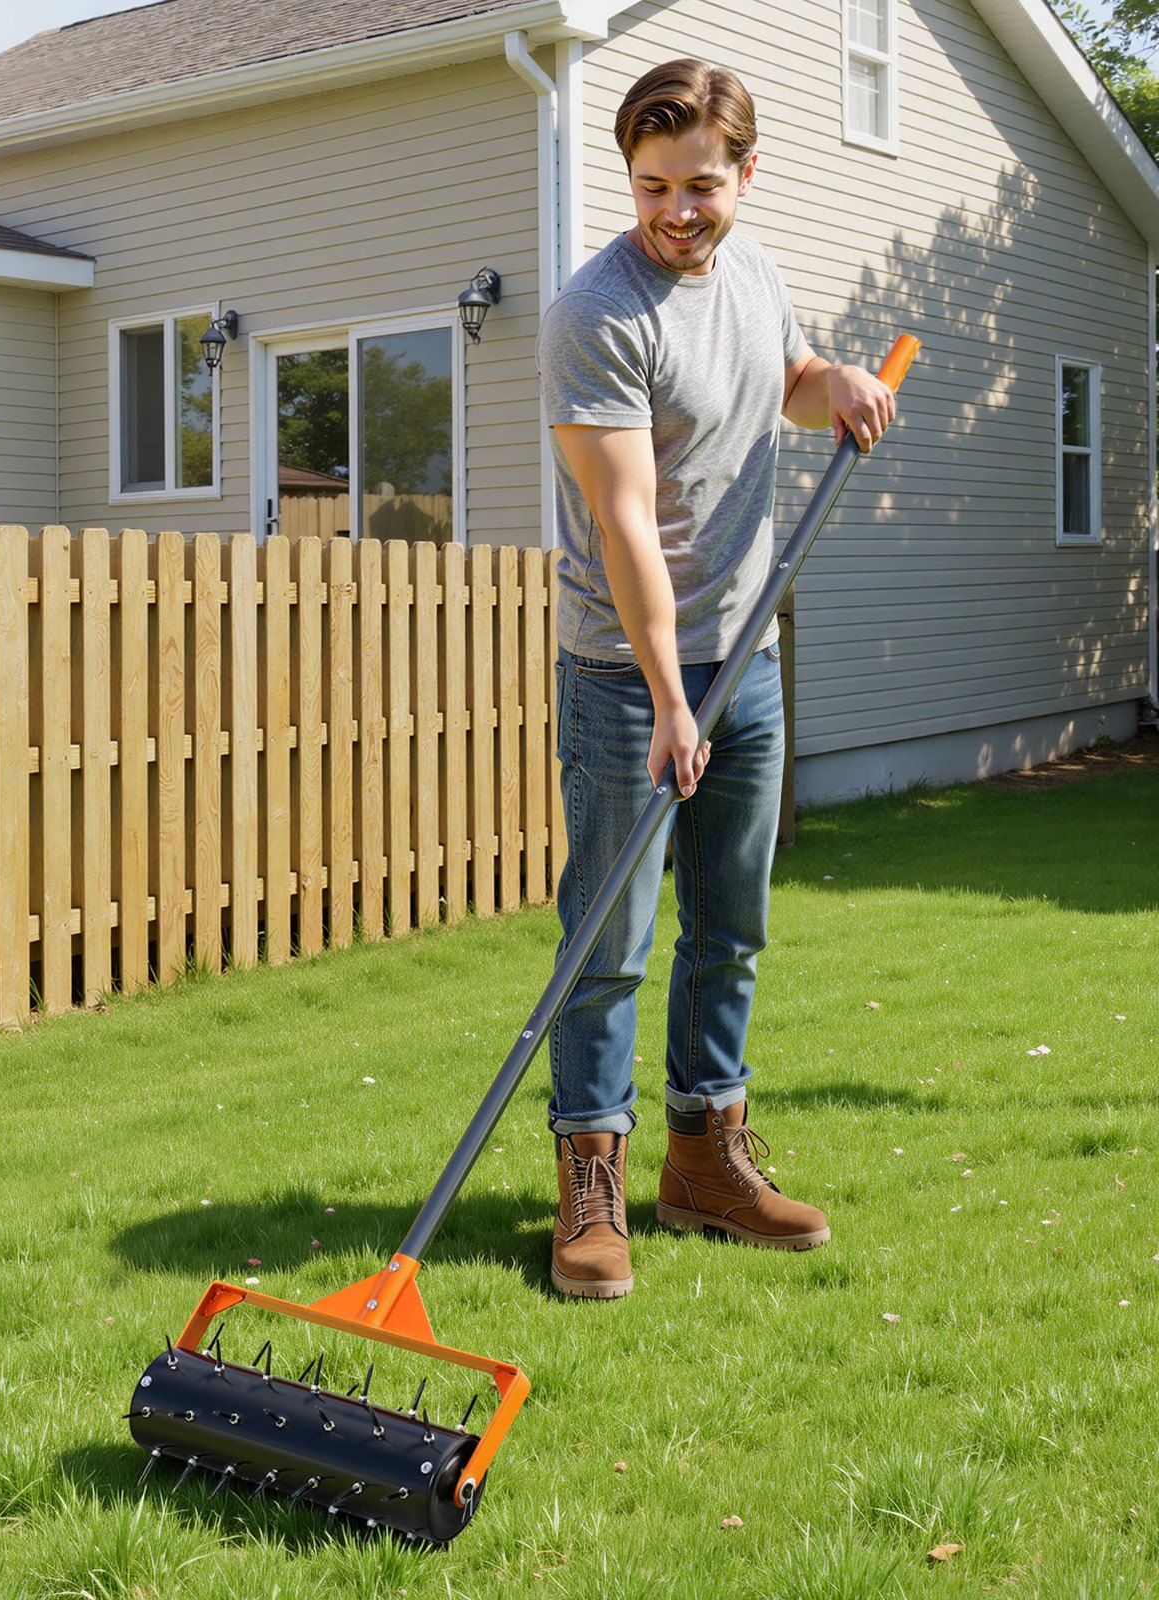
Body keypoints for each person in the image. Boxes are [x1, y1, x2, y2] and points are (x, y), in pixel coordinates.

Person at [535, 57, 895, 1299]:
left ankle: (703, 1161)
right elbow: (626, 521)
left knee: (730, 930)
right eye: (651, 187)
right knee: (610, 940)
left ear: (747, 173)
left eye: (698, 185)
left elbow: (782, 380)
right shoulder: (596, 313)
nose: (675, 212)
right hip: (625, 673)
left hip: (750, 659)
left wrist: (834, 383)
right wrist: (669, 699)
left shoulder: (753, 274)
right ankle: (590, 1181)